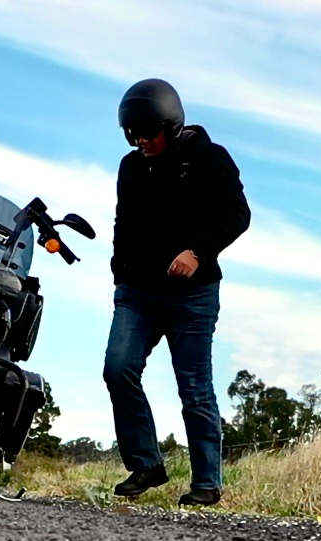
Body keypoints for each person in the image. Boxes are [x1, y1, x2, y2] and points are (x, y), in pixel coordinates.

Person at [105, 78, 250, 506]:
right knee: (118, 368)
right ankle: (146, 464)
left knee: (194, 388)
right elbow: (121, 222)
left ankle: (207, 483)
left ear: (171, 124)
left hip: (192, 295)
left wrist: (198, 251)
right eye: (134, 135)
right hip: (137, 295)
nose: (142, 141)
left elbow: (237, 213)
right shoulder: (130, 167)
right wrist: (120, 271)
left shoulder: (208, 158)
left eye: (149, 133)